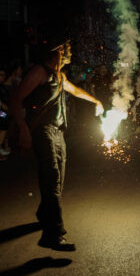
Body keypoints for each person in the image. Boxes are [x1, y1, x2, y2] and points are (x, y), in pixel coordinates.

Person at [9, 37, 104, 251]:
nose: (70, 52)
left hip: (58, 132)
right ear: (58, 51)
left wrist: (96, 101)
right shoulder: (39, 73)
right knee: (51, 178)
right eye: (67, 48)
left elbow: (76, 91)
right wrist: (23, 128)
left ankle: (45, 213)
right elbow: (16, 98)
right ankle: (53, 235)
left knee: (58, 179)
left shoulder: (59, 76)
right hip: (42, 131)